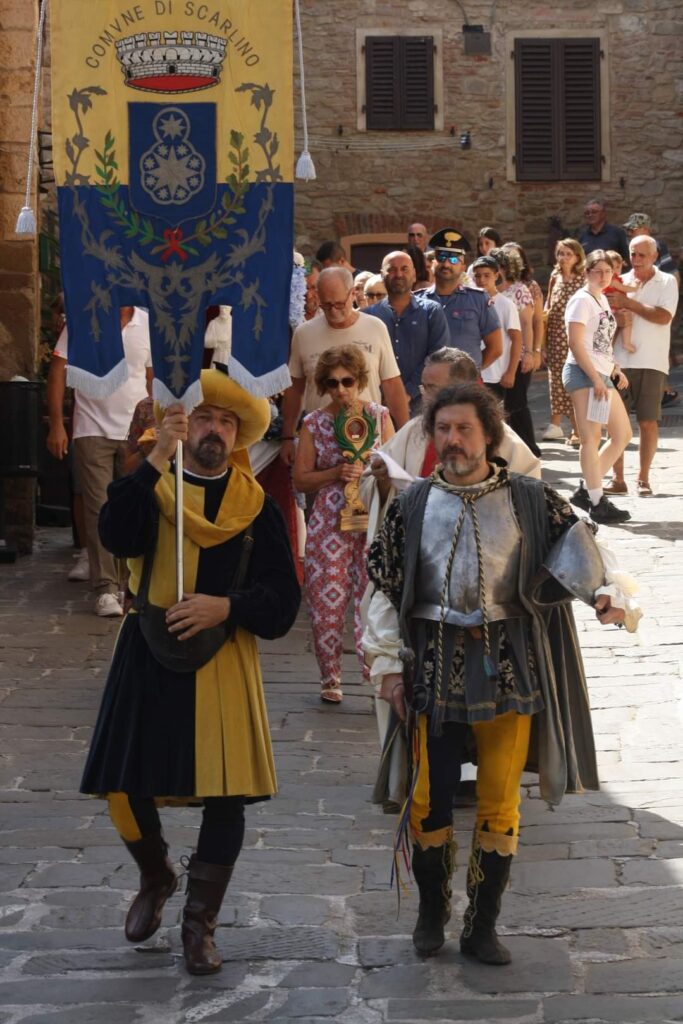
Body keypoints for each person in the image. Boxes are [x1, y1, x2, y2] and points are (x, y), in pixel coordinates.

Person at [363, 383, 627, 964]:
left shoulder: (532, 499)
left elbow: (584, 554)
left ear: (489, 434)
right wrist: (386, 666)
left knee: (500, 800)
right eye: (442, 429)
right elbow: (382, 590)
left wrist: (606, 594)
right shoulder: (410, 506)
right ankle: (434, 909)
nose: (452, 440)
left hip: (509, 667)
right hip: (430, 668)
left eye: (464, 429)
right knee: (428, 799)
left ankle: (482, 924)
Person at [80, 367, 301, 975]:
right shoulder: (150, 485)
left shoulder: (256, 507)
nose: (213, 429)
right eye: (202, 417)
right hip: (146, 649)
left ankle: (199, 924)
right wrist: (154, 456)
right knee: (123, 787)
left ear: (237, 436)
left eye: (225, 421)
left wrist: (226, 607)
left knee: (225, 798)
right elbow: (114, 533)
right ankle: (155, 874)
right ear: (183, 424)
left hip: (222, 660)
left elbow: (283, 601)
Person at [293, 346, 393, 704]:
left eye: (347, 381)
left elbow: (396, 471)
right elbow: (301, 478)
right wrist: (335, 472)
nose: (340, 390)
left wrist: (375, 471)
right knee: (326, 600)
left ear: (360, 380)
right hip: (328, 523)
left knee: (375, 601)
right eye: (332, 383)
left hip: (372, 518)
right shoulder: (313, 423)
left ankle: (377, 674)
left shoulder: (380, 417)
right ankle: (330, 677)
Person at [47, 306, 152, 616]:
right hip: (91, 426)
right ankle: (106, 587)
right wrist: (57, 424)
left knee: (132, 504)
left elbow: (150, 376)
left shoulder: (146, 324)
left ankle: (127, 581)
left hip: (133, 430)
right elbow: (58, 369)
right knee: (98, 506)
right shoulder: (83, 316)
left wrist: (154, 424)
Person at [279, 267, 409, 468]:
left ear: (352, 295)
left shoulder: (375, 328)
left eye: (339, 303)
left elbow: (391, 384)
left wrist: (403, 436)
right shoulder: (304, 333)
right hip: (320, 443)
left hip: (367, 439)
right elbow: (295, 388)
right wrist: (287, 437)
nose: (333, 311)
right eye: (326, 305)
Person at [562, 250, 632, 523]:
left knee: (622, 434)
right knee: (590, 438)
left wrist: (614, 367)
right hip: (583, 374)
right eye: (598, 271)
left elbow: (599, 342)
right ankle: (596, 500)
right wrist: (594, 378)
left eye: (608, 271)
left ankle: (588, 489)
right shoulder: (581, 301)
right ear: (587, 272)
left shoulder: (601, 298)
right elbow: (576, 343)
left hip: (600, 373)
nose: (604, 276)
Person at [607, 235, 679, 497]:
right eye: (632, 254)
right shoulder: (621, 281)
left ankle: (643, 478)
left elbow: (663, 316)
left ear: (654, 256)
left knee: (648, 421)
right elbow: (606, 322)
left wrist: (630, 304)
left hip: (652, 360)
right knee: (616, 424)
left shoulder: (667, 281)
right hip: (618, 362)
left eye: (641, 255)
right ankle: (618, 479)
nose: (635, 260)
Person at [364, 250, 450, 412]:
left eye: (404, 269)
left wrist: (407, 392)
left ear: (414, 275)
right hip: (377, 406)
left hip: (421, 407)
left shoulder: (431, 312)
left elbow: (437, 357)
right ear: (382, 275)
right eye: (392, 269)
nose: (398, 274)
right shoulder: (367, 317)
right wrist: (387, 394)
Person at [422, 227, 503, 371]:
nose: (446, 264)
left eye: (453, 259)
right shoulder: (417, 300)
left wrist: (471, 374)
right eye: (441, 257)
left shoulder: (478, 299)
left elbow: (496, 348)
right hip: (426, 385)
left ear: (463, 267)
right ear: (433, 263)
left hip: (465, 387)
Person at [491, 247, 541, 458]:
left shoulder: (519, 290)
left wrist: (529, 352)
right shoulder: (485, 291)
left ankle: (529, 450)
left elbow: (527, 323)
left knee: (517, 404)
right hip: (495, 357)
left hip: (517, 355)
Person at [542, 239, 586, 444]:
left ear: (577, 256)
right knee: (558, 384)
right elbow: (548, 305)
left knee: (575, 381)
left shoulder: (584, 278)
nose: (564, 258)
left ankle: (579, 430)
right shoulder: (555, 276)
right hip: (555, 337)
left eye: (568, 254)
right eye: (561, 253)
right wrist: (542, 343)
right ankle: (570, 429)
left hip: (575, 337)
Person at [472, 256, 523, 403]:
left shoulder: (505, 304)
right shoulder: (470, 302)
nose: (482, 280)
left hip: (495, 374)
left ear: (496, 275)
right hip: (475, 372)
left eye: (486, 275)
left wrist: (511, 372)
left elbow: (516, 339)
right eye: (478, 276)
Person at [603, 250, 638, 353]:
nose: (615, 270)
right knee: (627, 320)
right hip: (614, 307)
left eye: (618, 267)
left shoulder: (613, 278)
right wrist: (635, 288)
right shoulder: (613, 280)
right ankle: (626, 342)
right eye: (612, 268)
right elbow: (623, 288)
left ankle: (611, 347)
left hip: (613, 306)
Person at [578, 198, 630, 263]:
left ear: (603, 213)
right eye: (587, 213)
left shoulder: (617, 233)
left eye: (594, 212)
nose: (590, 215)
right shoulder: (583, 235)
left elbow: (626, 258)